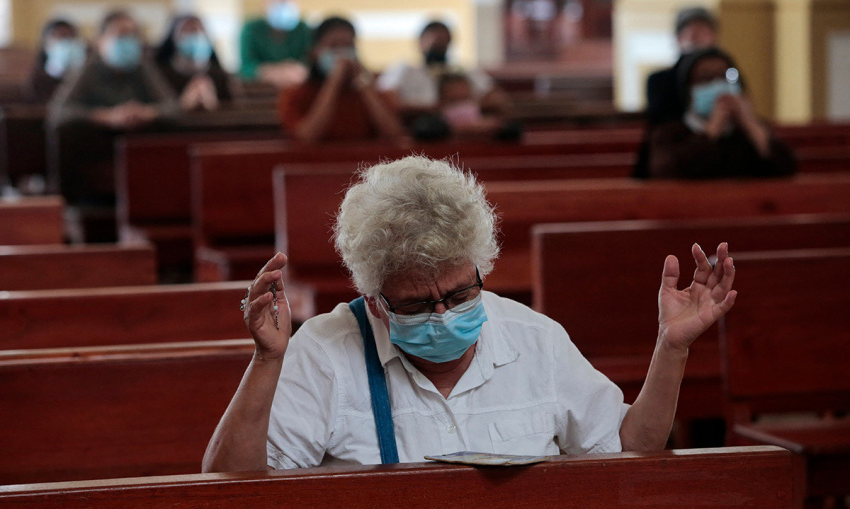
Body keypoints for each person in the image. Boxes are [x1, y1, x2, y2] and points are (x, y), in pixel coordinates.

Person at [202, 155, 737, 471]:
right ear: (373, 301)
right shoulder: (324, 352)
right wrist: (266, 363)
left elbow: (628, 451)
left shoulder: (534, 339)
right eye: (414, 304)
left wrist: (673, 347)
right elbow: (231, 488)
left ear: (480, 269)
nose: (441, 316)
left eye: (460, 295)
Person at [47, 9, 178, 206]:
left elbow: (174, 107)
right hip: (96, 155)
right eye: (120, 35)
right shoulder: (88, 68)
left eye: (132, 35)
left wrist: (147, 113)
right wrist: (107, 117)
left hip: (141, 156)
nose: (127, 41)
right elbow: (58, 113)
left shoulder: (143, 67)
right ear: (101, 40)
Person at [647, 47, 796, 179]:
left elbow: (786, 170)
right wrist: (712, 130)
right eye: (706, 79)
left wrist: (751, 126)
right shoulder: (669, 132)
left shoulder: (749, 130)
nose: (718, 85)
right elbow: (670, 172)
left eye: (726, 77)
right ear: (688, 91)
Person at [277, 16, 405, 142]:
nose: (342, 55)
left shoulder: (373, 91)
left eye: (348, 46)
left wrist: (364, 85)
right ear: (315, 53)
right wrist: (334, 82)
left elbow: (394, 134)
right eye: (333, 46)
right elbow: (306, 136)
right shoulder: (295, 94)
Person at [634, 7, 719, 178]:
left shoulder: (727, 75)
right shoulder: (660, 80)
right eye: (691, 33)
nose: (697, 39)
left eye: (704, 32)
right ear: (679, 39)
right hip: (673, 161)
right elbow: (660, 122)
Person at [378, 20, 510, 118]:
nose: (440, 48)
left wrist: (463, 108)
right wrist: (438, 109)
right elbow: (388, 102)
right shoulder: (404, 69)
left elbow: (496, 99)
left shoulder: (463, 70)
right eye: (435, 43)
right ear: (420, 42)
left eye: (444, 43)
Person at [155, 14, 234, 111]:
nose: (195, 36)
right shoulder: (159, 73)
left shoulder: (219, 74)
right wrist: (184, 104)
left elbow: (234, 109)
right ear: (174, 37)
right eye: (188, 32)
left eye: (199, 31)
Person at [239, 0, 311, 88]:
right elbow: (246, 66)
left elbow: (308, 61)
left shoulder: (303, 29)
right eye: (277, 0)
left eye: (287, 0)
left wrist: (297, 70)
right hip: (259, 89)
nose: (283, 4)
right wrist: (269, 72)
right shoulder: (251, 29)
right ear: (265, 3)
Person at [27, 18, 87, 103]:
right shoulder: (38, 80)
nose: (64, 43)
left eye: (69, 37)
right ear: (45, 44)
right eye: (59, 37)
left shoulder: (87, 78)